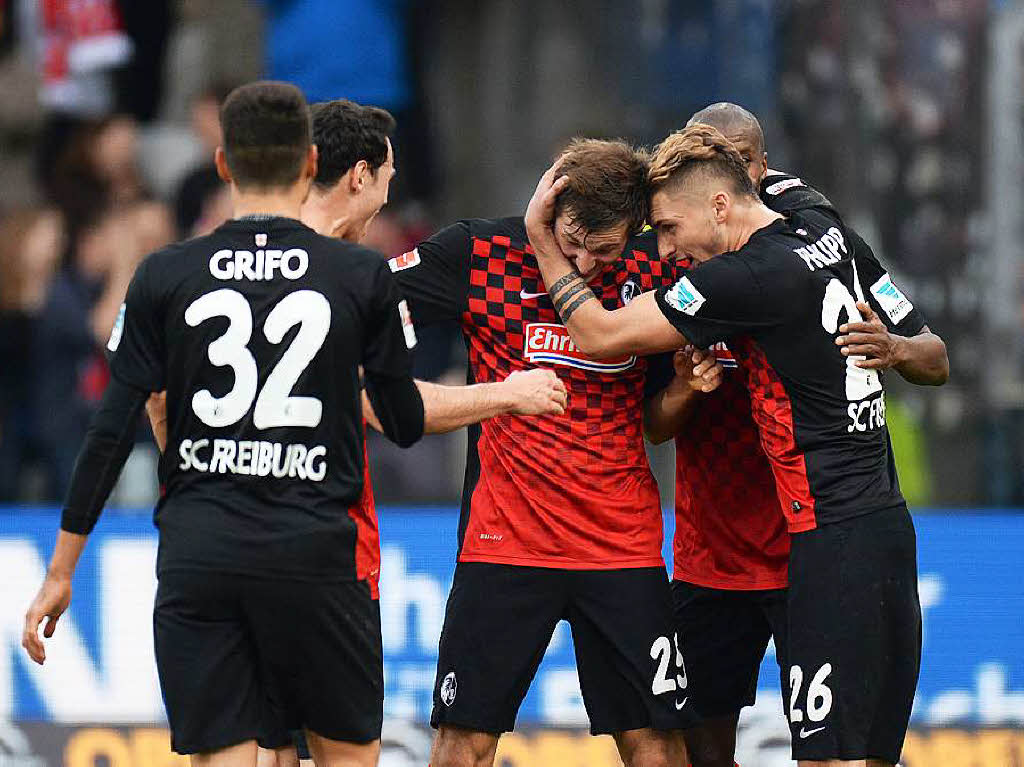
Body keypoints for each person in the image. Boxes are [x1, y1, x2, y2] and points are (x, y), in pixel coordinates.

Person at [140, 96, 567, 767]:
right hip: (322, 547)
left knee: (265, 744)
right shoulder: (338, 274)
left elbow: (159, 397)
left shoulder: (223, 262)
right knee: (330, 746)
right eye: (389, 178)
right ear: (359, 175)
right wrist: (505, 394)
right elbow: (377, 405)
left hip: (226, 543)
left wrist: (195, 486)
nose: (390, 200)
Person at [22, 81, 427, 767]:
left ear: (220, 164)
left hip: (201, 554)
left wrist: (61, 570)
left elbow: (110, 429)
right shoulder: (360, 275)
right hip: (315, 557)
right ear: (307, 163)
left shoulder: (163, 274)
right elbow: (405, 422)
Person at [525, 123, 931, 767]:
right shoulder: (823, 229)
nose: (661, 249)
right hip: (868, 525)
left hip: (828, 538)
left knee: (835, 758)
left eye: (665, 227)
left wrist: (545, 244)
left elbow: (600, 336)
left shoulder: (744, 277)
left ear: (720, 204)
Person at [641, 103, 948, 767]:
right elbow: (654, 426)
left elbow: (934, 353)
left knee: (836, 748)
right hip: (712, 549)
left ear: (756, 170)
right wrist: (682, 390)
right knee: (696, 746)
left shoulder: (818, 237)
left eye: (738, 162)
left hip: (812, 544)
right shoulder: (678, 254)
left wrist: (894, 346)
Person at [391, 138, 692, 767]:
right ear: (548, 204)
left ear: (634, 231)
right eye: (568, 239)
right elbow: (362, 304)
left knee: (656, 746)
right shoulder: (479, 251)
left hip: (622, 547)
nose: (580, 263)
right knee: (461, 745)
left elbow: (657, 425)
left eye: (602, 250)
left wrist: (687, 388)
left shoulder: (659, 270)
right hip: (505, 542)